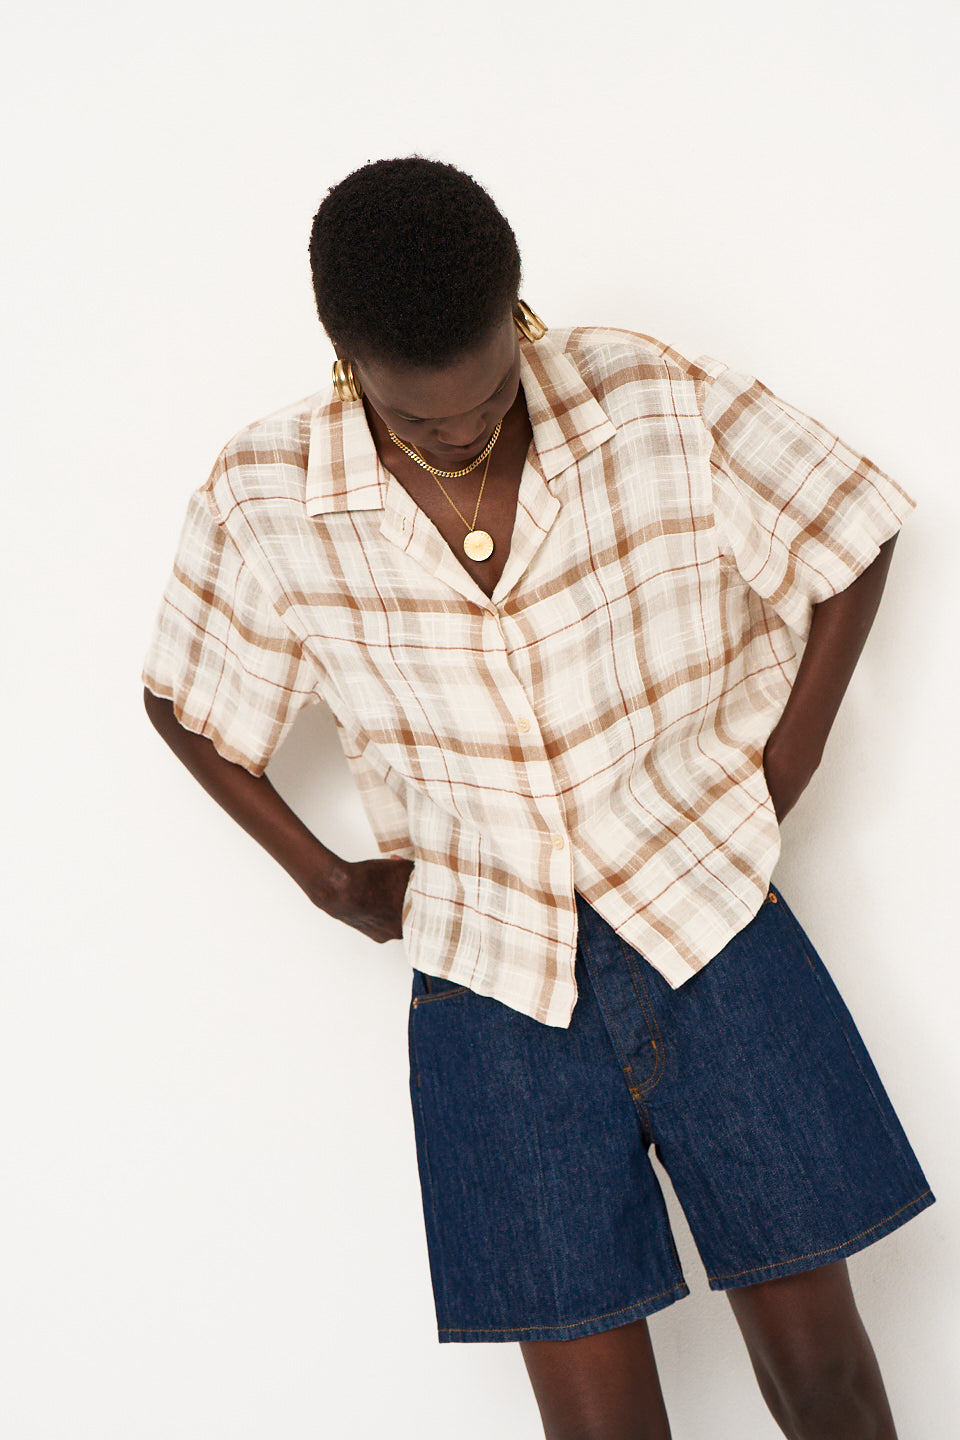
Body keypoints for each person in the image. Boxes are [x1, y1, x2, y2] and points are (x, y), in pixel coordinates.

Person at [141, 155, 935, 1439]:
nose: (466, 432)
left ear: (519, 316)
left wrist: (788, 765)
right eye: (421, 416)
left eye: (492, 392)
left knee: (828, 1383)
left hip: (712, 930)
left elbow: (852, 528)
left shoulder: (647, 393)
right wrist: (328, 880)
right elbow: (183, 701)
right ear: (348, 362)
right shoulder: (265, 496)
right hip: (490, 990)